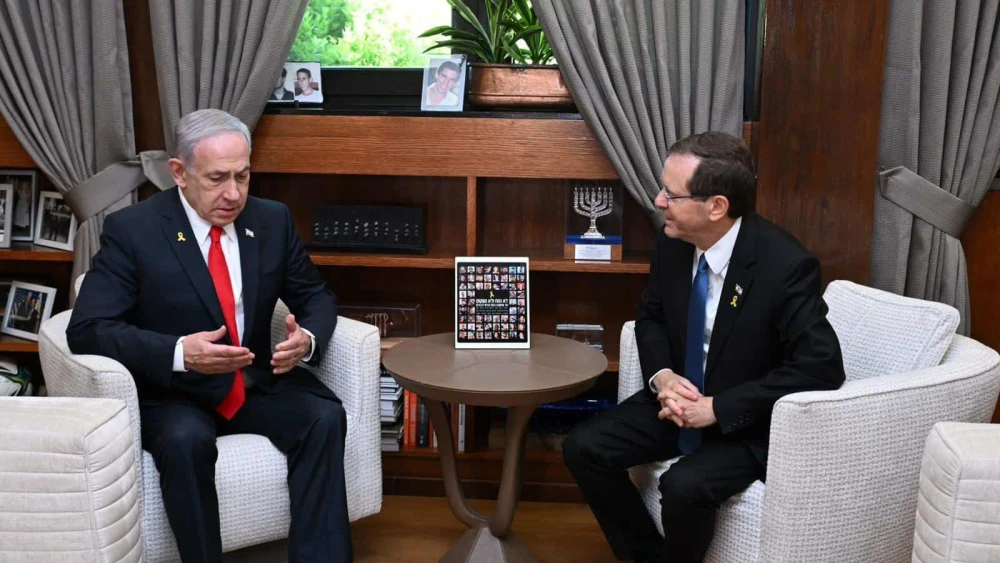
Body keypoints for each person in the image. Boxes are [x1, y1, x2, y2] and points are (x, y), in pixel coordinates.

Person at [67, 109, 351, 563]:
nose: (233, 193)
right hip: (174, 392)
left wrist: (308, 340)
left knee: (323, 418)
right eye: (217, 178)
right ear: (179, 173)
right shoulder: (134, 231)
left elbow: (315, 295)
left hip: (255, 383)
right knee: (186, 441)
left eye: (243, 175)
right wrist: (179, 352)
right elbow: (87, 330)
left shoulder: (272, 220)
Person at [562, 131, 846, 563]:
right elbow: (651, 314)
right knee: (584, 447)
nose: (658, 201)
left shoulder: (784, 266)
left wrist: (718, 407)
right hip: (678, 401)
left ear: (717, 206)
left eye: (671, 195)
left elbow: (822, 367)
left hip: (743, 423)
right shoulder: (674, 242)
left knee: (684, 486)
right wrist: (663, 378)